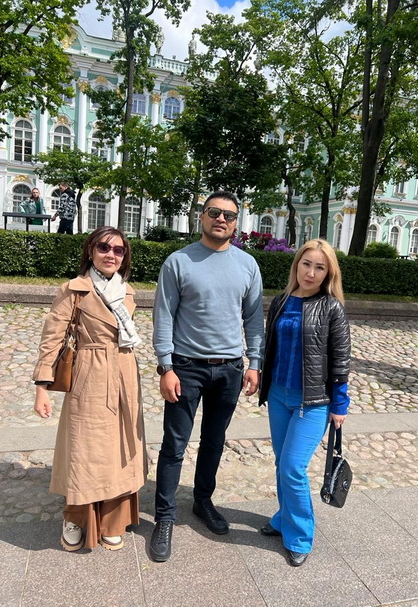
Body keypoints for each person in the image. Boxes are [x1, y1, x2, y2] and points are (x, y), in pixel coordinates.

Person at [150, 191, 264, 562]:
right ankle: (165, 517)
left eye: (229, 215)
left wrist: (255, 362)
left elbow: (253, 318)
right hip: (186, 367)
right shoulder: (178, 261)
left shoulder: (247, 265)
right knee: (174, 444)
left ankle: (202, 501)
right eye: (215, 212)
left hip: (230, 369)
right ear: (202, 216)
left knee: (214, 441)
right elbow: (164, 315)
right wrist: (166, 366)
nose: (221, 219)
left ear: (236, 223)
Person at [33, 226, 147, 552]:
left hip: (125, 374)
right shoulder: (75, 289)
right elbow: (52, 338)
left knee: (120, 448)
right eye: (104, 248)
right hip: (89, 374)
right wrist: (42, 387)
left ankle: (113, 521)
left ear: (125, 257)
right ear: (91, 251)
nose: (111, 254)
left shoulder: (127, 292)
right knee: (84, 449)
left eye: (118, 250)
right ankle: (75, 518)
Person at [258, 238, 351, 567]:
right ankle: (284, 518)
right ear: (296, 265)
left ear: (328, 273)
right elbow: (270, 347)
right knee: (281, 462)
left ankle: (299, 536)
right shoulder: (282, 301)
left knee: (293, 468)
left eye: (319, 267)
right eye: (306, 264)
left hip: (313, 401)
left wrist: (340, 405)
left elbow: (340, 360)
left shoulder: (332, 308)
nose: (310, 273)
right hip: (279, 396)